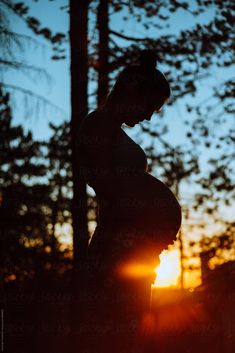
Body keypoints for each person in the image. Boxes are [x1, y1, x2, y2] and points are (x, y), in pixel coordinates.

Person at [77, 49, 182, 353]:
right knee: (118, 334)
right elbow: (109, 186)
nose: (149, 115)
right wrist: (149, 219)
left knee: (131, 333)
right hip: (117, 250)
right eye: (150, 105)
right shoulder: (97, 125)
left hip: (133, 249)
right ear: (133, 91)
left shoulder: (111, 130)